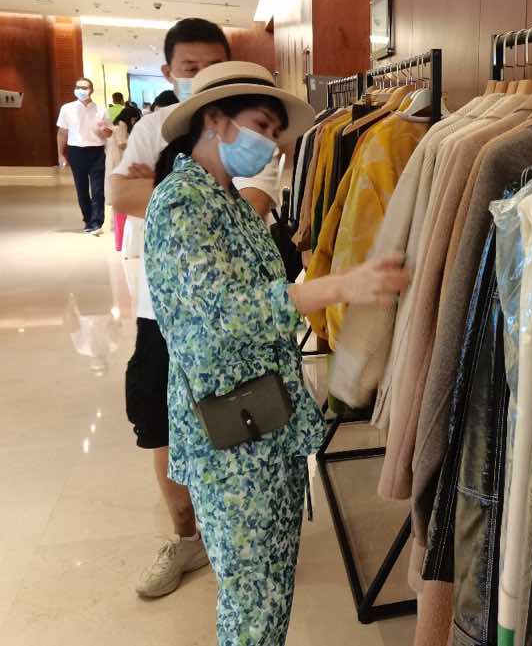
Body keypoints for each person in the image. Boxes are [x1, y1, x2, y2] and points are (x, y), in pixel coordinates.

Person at [145, 61, 409, 644]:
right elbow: (218, 317)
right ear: (215, 120)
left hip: (267, 425)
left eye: (273, 131)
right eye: (261, 126)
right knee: (251, 604)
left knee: (268, 591)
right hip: (232, 442)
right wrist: (337, 287)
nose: (270, 143)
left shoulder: (230, 201)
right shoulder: (182, 204)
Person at [109, 18, 279, 599]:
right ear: (169, 73)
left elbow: (249, 205)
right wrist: (185, 192)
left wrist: (162, 187)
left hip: (234, 328)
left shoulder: (254, 128)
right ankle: (186, 538)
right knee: (160, 424)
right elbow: (117, 194)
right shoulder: (152, 126)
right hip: (159, 315)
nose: (203, 76)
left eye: (214, 65)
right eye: (190, 68)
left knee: (237, 427)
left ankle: (243, 533)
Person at [56, 77, 106, 234]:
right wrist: (60, 154)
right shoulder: (67, 109)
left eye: (84, 88)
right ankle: (88, 220)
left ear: (91, 90)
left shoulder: (101, 109)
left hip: (97, 152)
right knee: (82, 189)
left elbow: (108, 133)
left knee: (98, 190)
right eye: (78, 87)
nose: (81, 90)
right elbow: (62, 132)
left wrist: (104, 130)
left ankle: (97, 222)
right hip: (76, 152)